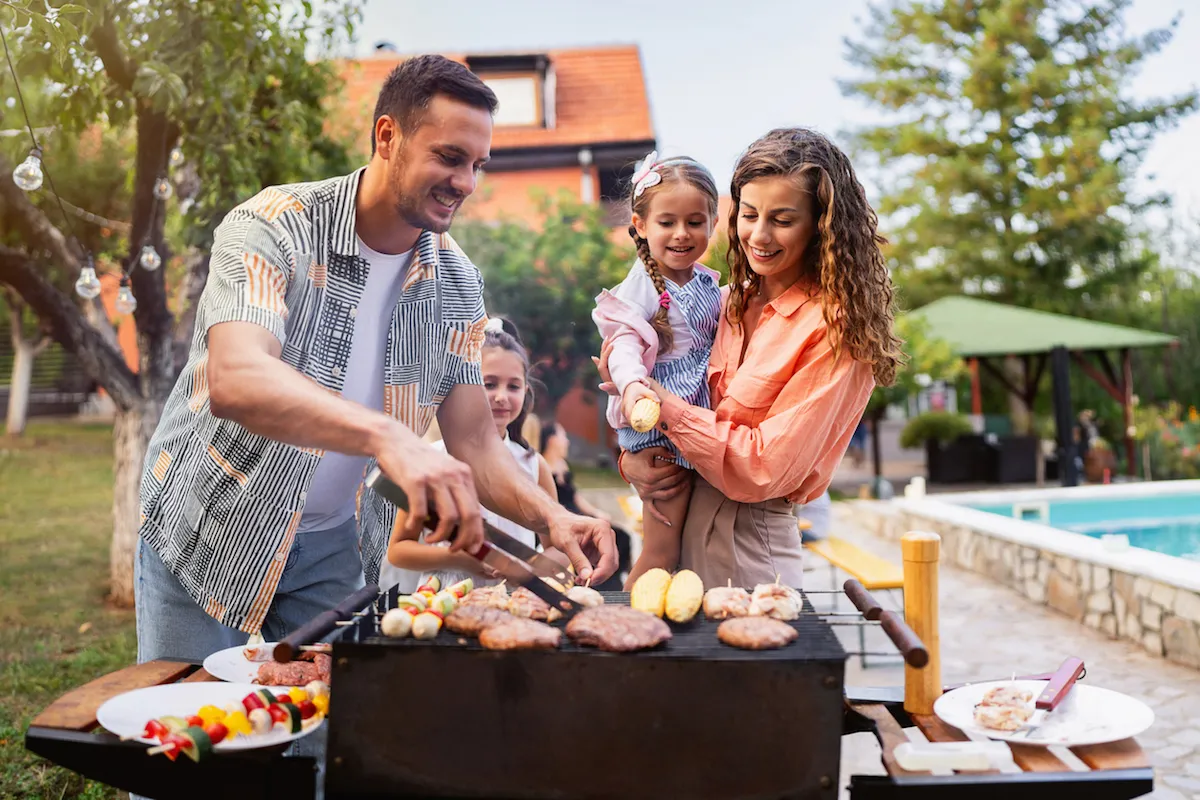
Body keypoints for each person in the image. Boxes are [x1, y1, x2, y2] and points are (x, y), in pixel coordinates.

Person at [134, 55, 617, 672]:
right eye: (449, 157)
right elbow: (236, 379)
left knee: (331, 739)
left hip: (333, 545)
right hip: (209, 528)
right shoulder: (273, 226)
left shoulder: (459, 284)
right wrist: (389, 437)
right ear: (387, 136)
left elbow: (473, 439)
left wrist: (552, 515)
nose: (466, 182)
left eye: (477, 165)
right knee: (190, 731)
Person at [598, 128, 902, 588]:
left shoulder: (836, 329)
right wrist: (636, 461)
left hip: (750, 544)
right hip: (680, 520)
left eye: (782, 219)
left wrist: (661, 409)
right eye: (749, 214)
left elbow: (762, 469)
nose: (758, 235)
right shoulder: (724, 302)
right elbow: (641, 372)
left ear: (820, 225)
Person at [591, 151, 721, 587]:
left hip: (693, 418)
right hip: (659, 430)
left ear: (713, 222)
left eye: (695, 222)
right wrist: (631, 388)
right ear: (641, 225)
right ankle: (624, 616)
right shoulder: (643, 285)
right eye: (667, 222)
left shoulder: (705, 280)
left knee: (687, 547)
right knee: (663, 549)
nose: (682, 234)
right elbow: (624, 345)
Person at [384, 319, 563, 590]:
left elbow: (558, 549)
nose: (501, 396)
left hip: (514, 607)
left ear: (526, 391)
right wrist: (460, 559)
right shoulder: (431, 462)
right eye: (489, 384)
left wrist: (527, 568)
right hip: (443, 604)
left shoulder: (534, 465)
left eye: (513, 386)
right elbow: (399, 550)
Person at [540, 420, 634, 591]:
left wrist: (596, 512)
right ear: (551, 439)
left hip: (574, 515)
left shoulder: (563, 465)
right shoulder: (542, 466)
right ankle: (595, 583)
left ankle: (613, 582)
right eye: (563, 436)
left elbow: (575, 496)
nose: (567, 441)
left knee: (620, 535)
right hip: (562, 518)